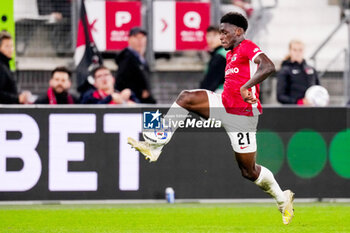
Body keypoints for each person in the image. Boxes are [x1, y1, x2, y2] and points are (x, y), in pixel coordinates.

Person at [128, 12, 294, 225]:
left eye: (224, 32)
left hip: (242, 116)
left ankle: (282, 199)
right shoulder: (231, 53)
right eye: (219, 33)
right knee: (186, 98)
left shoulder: (246, 46)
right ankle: (156, 144)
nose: (220, 37)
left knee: (248, 171)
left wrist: (246, 87)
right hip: (223, 104)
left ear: (239, 31)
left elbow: (268, 66)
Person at [115, 27, 156, 104]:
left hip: (144, 102)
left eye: (142, 37)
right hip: (134, 102)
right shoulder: (127, 58)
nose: (140, 40)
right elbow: (121, 82)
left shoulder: (140, 59)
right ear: (129, 39)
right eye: (136, 37)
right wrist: (139, 92)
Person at [277, 40, 320, 105]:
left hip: (311, 110)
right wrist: (299, 102)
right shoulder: (285, 70)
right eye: (295, 50)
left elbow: (318, 90)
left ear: (304, 51)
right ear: (290, 51)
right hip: (292, 111)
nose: (298, 53)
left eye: (300, 50)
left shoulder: (311, 70)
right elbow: (280, 96)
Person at [0, 31, 31, 104]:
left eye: (12, 46)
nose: (11, 49)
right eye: (7, 46)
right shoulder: (1, 67)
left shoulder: (5, 65)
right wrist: (17, 99)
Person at [199, 26, 227, 92]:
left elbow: (210, 82)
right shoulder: (226, 52)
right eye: (208, 36)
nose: (211, 39)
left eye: (214, 35)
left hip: (222, 94)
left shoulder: (221, 56)